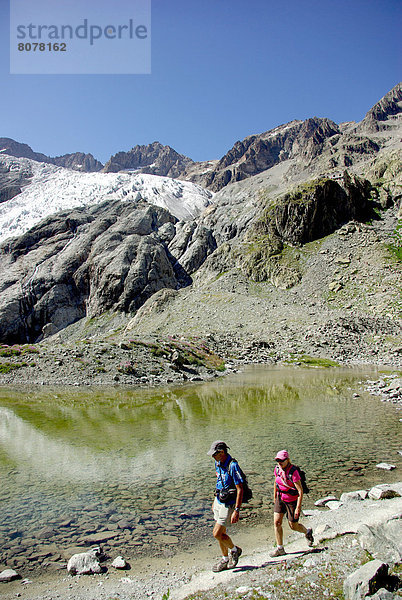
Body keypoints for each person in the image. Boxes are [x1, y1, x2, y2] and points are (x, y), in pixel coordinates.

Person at [207, 440, 243, 572]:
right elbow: (219, 482)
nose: (212, 456)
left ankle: (234, 550)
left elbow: (240, 488)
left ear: (222, 452)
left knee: (216, 533)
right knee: (222, 533)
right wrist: (214, 500)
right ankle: (225, 559)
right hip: (219, 500)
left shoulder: (233, 466)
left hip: (228, 504)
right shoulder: (217, 463)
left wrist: (237, 510)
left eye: (214, 454)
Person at [270, 449, 314, 556]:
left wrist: (298, 508)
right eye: (277, 460)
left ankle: (306, 532)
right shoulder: (277, 469)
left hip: (291, 501)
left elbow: (300, 491)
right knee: (277, 522)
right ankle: (280, 548)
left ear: (287, 460)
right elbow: (276, 482)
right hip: (281, 498)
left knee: (293, 526)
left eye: (281, 460)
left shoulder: (293, 472)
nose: (279, 462)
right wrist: (275, 496)